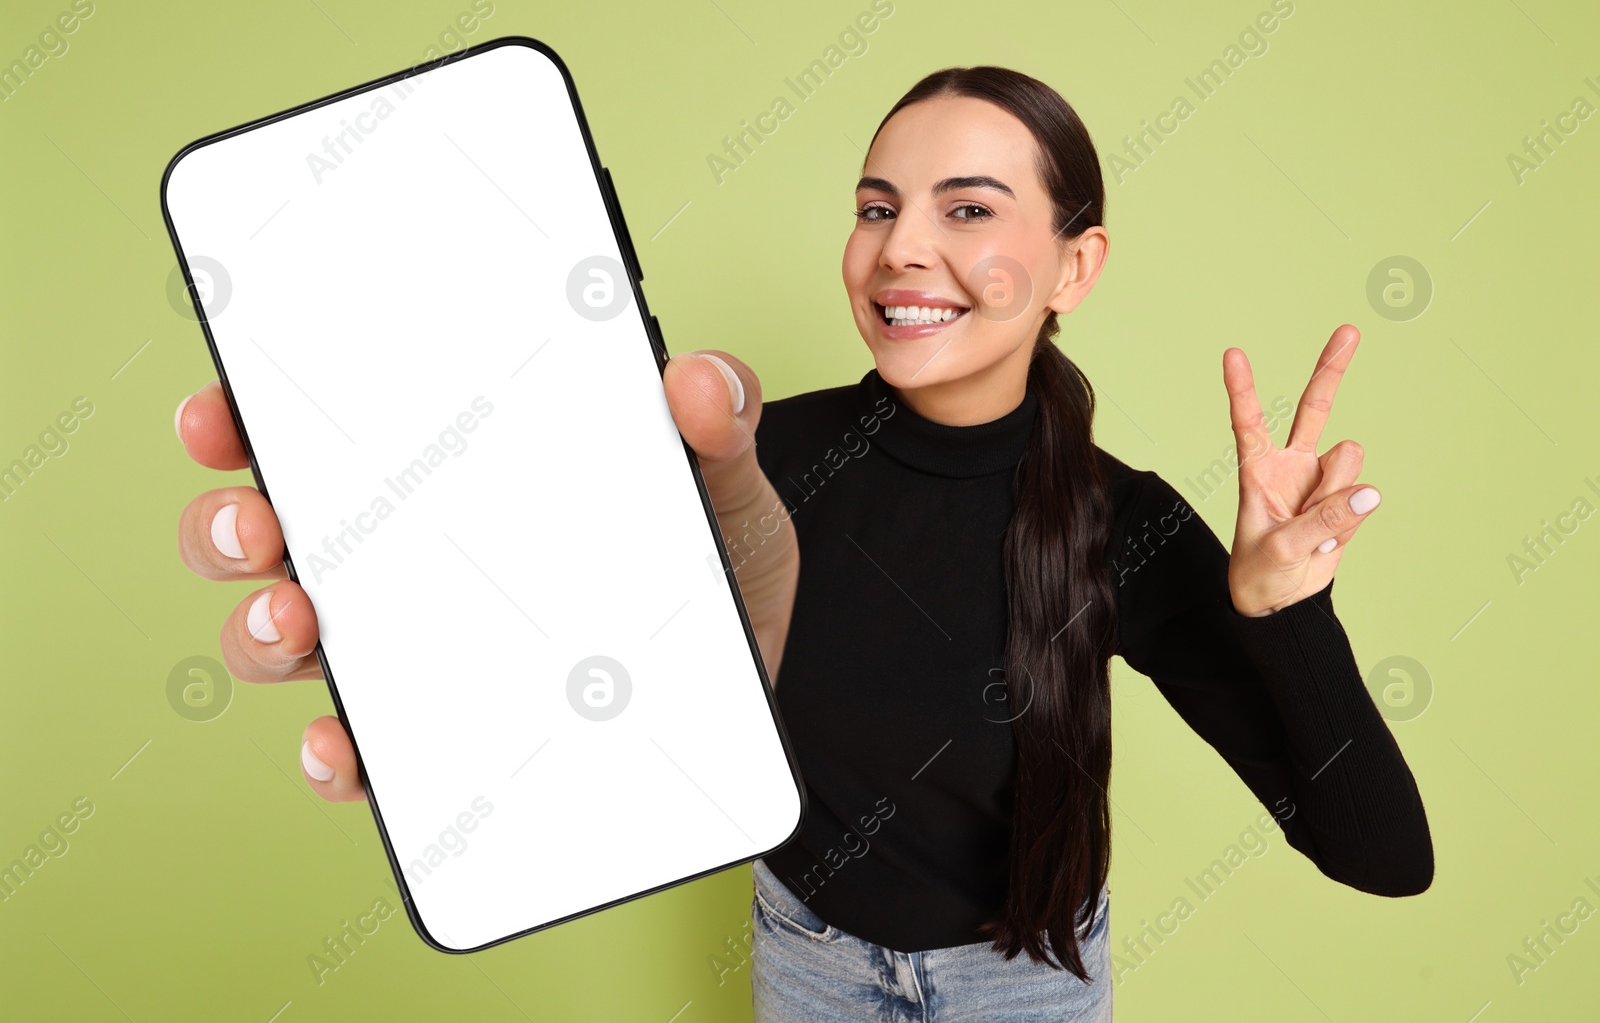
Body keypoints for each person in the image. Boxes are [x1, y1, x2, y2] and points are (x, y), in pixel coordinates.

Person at [174, 65, 1432, 1021]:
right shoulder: (753, 460)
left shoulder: (1125, 521)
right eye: (877, 205)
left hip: (1029, 979)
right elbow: (560, 648)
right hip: (808, 958)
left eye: (969, 207)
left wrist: (1285, 607)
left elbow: (1382, 856)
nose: (902, 249)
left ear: (1072, 264)